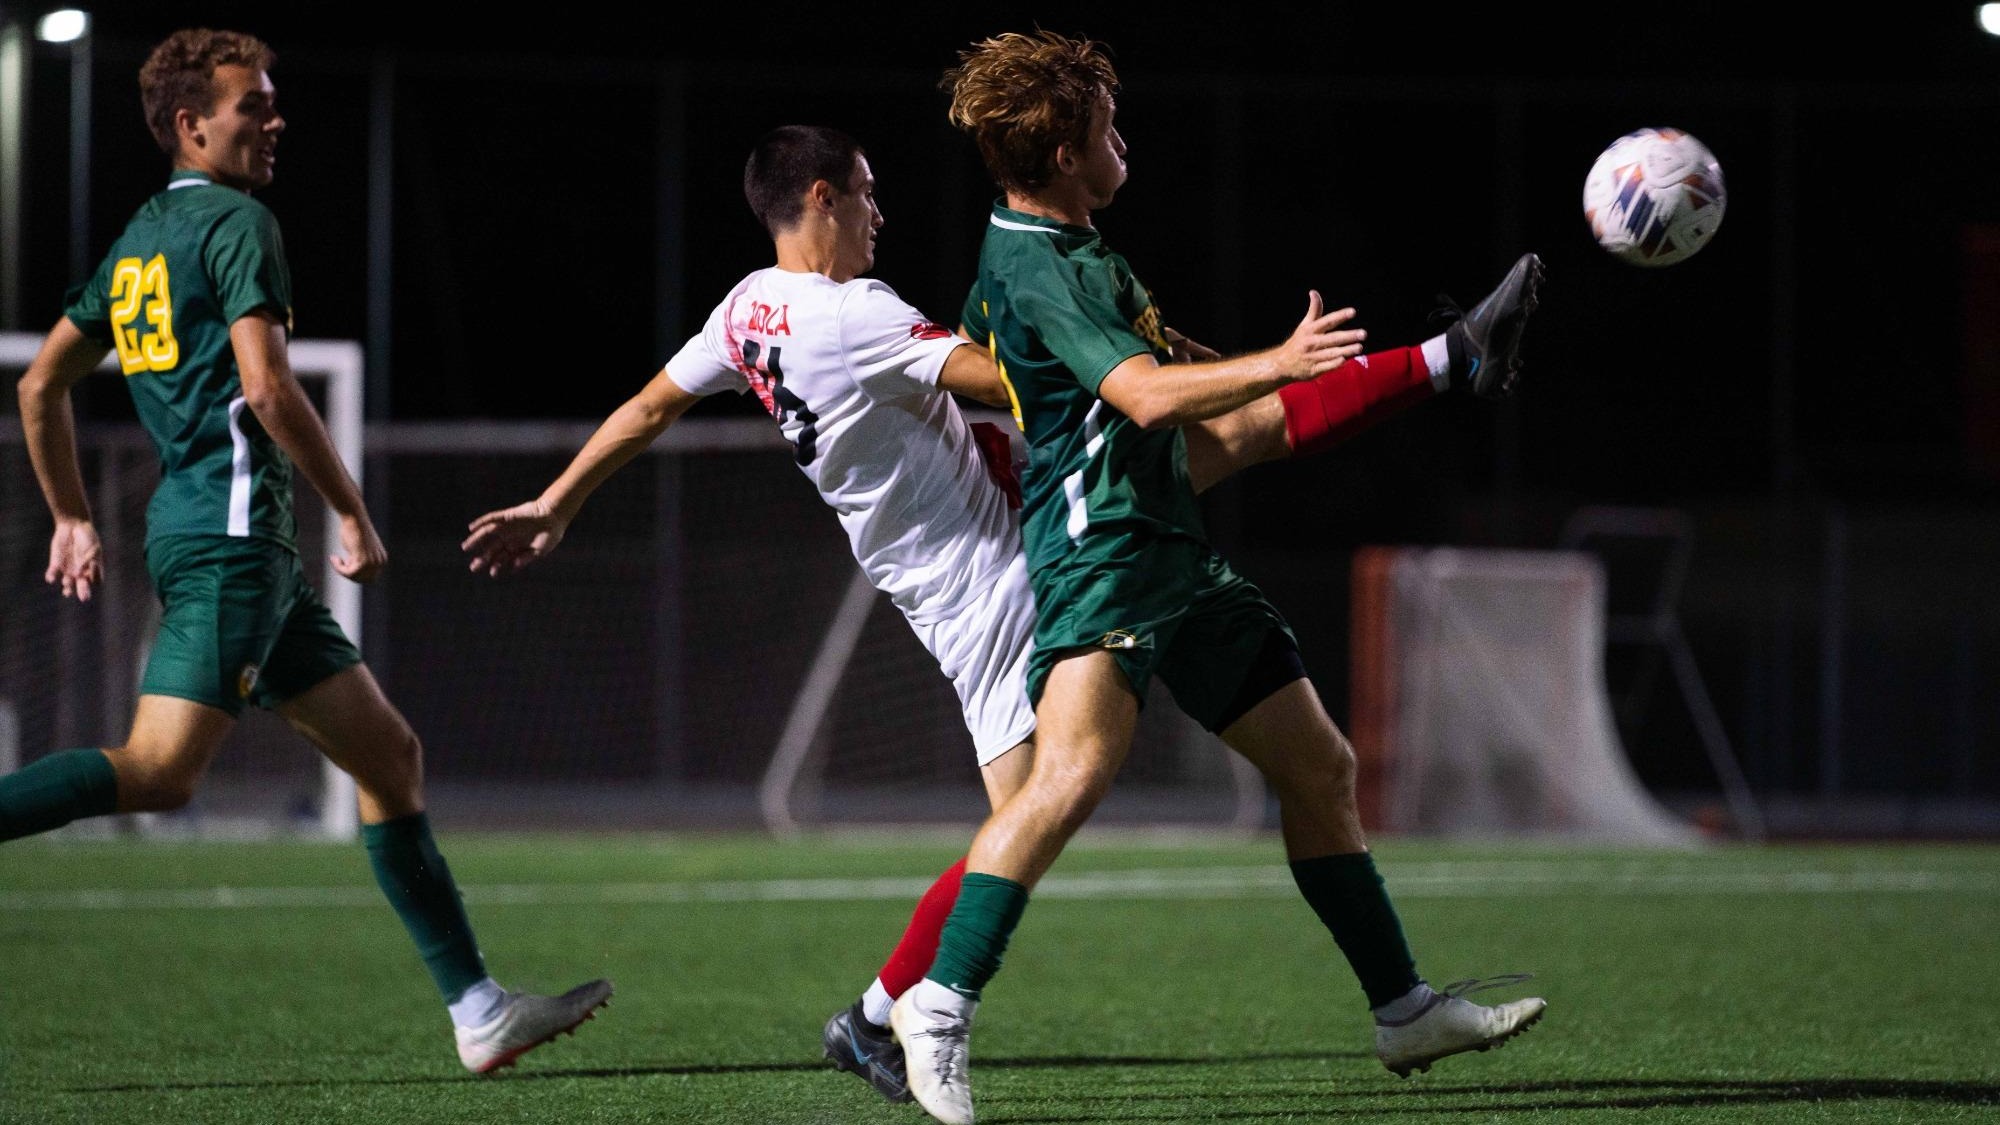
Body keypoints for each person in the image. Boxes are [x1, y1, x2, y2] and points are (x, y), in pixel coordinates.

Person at [465, 116, 1542, 1108]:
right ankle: (895, 1012)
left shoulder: (746, 309)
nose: (879, 213)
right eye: (867, 193)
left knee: (1251, 626)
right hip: (997, 578)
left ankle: (1448, 358)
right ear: (824, 198)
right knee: (1043, 803)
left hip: (994, 542)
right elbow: (1017, 380)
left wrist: (559, 504)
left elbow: (650, 404)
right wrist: (1123, 353)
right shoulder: (853, 314)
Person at [886, 31, 1547, 1124]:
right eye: (1107, 129)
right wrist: (1272, 365)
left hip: (1166, 549)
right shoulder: (1041, 265)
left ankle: (1402, 1010)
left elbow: (1164, 378)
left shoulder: (1063, 250)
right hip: (1103, 556)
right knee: (1068, 777)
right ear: (1062, 153)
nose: (1123, 142)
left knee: (1318, 766)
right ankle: (936, 1005)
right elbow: (1145, 397)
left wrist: (1258, 375)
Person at [2, 28, 611, 1075]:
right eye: (253, 105)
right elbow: (269, 388)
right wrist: (353, 511)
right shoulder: (239, 223)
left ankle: (478, 1009)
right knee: (159, 773)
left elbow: (40, 383)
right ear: (192, 126)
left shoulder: (143, 237)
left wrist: (70, 512)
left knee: (390, 758)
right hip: (234, 540)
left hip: (233, 546)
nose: (275, 119)